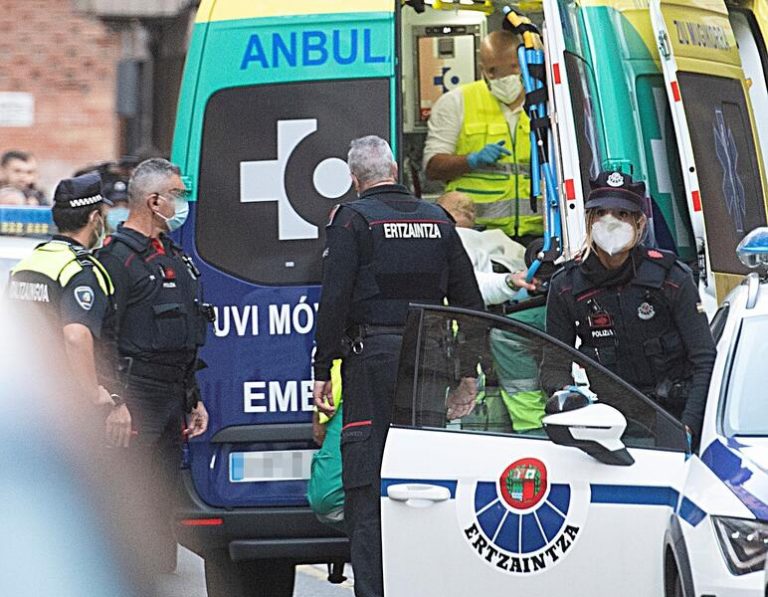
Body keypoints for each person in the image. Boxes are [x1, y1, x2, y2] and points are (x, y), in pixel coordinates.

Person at [313, 135, 484, 597]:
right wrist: (468, 374)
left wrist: (321, 370)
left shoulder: (352, 221)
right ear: (394, 168)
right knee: (424, 484)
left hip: (373, 363)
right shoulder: (439, 220)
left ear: (354, 179)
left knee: (367, 486)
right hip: (430, 363)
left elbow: (334, 301)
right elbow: (470, 305)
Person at [96, 158, 211, 574]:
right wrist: (114, 401)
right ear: (154, 199)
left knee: (164, 493)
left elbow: (186, 331)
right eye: (178, 194)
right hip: (135, 395)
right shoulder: (117, 259)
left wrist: (193, 399)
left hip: (172, 396)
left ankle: (156, 569)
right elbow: (101, 337)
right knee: (129, 492)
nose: (183, 203)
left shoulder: (174, 257)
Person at [543, 170, 716, 445]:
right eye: (601, 214)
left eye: (622, 215)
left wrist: (688, 429)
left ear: (639, 223)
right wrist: (568, 404)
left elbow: (704, 359)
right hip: (610, 424)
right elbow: (554, 363)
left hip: (675, 416)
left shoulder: (671, 278)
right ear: (589, 221)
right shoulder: (567, 285)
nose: (610, 223)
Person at [6, 172, 132, 446]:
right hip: (69, 410)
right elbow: (76, 336)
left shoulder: (27, 265)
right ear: (94, 219)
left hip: (26, 402)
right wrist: (94, 394)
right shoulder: (80, 271)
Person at [423, 30, 541, 243]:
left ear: (524, 61)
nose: (504, 77)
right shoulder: (456, 102)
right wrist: (471, 160)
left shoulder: (544, 102)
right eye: (494, 70)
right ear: (482, 70)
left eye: (512, 67)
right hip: (475, 234)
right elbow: (432, 168)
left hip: (539, 234)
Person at [437, 190, 535, 306]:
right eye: (463, 209)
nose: (470, 213)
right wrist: (509, 281)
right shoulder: (454, 238)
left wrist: (510, 281)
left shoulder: (491, 236)